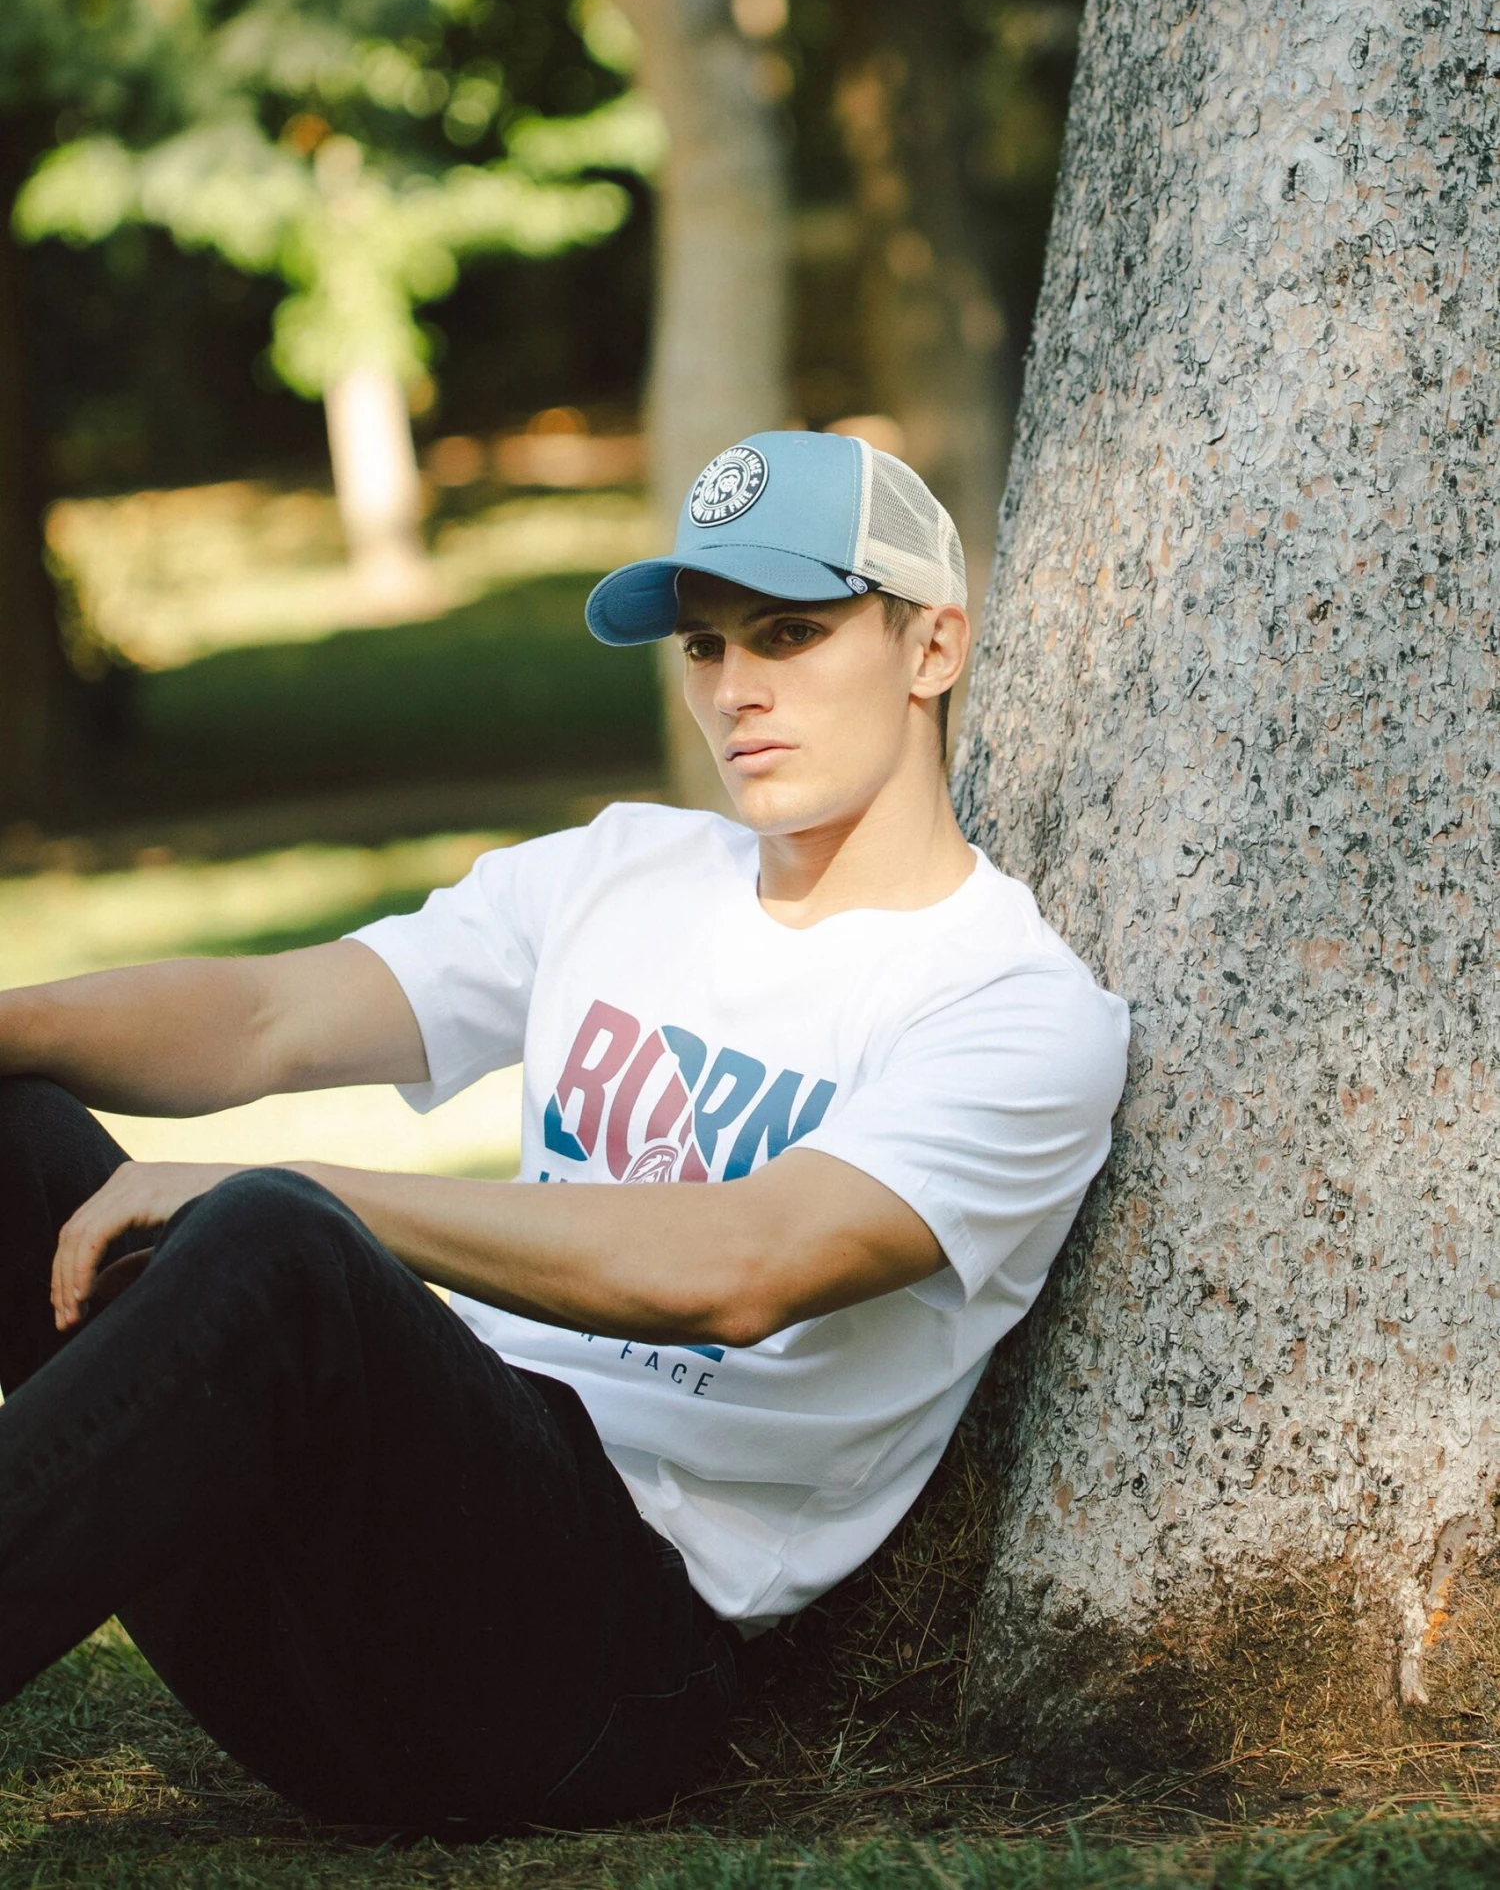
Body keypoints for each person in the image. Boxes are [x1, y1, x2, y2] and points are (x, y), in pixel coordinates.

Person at [0, 430, 1128, 1832]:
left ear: (933, 646)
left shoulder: (1016, 1009)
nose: (737, 687)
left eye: (792, 632)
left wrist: (289, 1187)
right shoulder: (622, 870)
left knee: (277, 1240)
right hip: (345, 1587)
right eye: (706, 644)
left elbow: (745, 1266)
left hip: (595, 1660)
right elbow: (267, 1017)